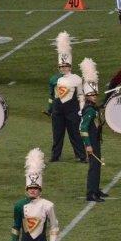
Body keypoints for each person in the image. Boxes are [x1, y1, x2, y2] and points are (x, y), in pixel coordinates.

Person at [47, 31, 86, 163]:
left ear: (70, 66)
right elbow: (51, 96)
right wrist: (50, 109)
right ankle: (55, 156)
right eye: (62, 66)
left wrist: (81, 109)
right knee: (57, 134)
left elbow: (80, 95)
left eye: (66, 66)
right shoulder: (53, 79)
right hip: (57, 109)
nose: (63, 68)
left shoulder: (77, 78)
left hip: (72, 109)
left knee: (75, 133)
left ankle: (81, 155)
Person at [79, 57, 106, 202]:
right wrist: (88, 145)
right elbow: (82, 128)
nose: (94, 97)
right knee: (94, 166)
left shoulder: (93, 107)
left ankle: (96, 189)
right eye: (91, 95)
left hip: (95, 139)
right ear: (87, 96)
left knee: (97, 165)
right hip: (91, 141)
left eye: (95, 94)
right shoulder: (89, 110)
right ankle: (91, 193)